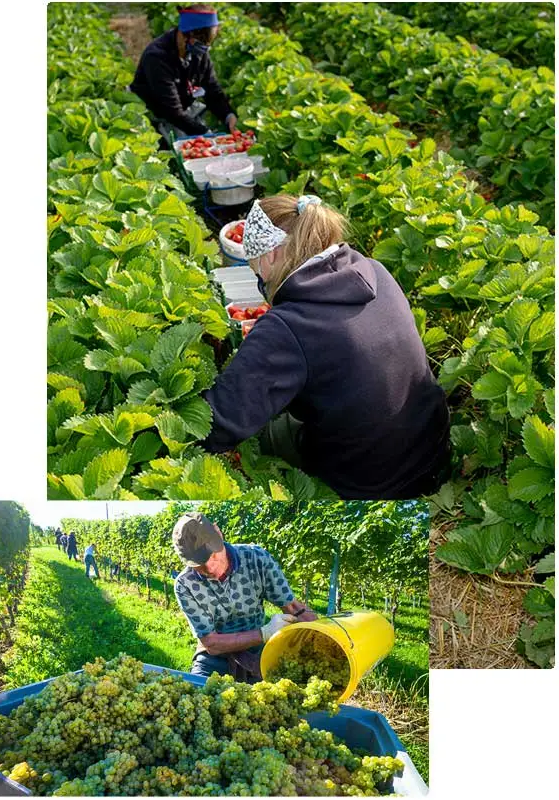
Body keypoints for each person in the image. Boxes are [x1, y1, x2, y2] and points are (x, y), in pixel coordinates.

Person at [200, 194, 451, 500]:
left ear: (272, 255)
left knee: (269, 431)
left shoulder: (288, 327)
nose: (260, 280)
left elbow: (218, 425)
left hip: (368, 486)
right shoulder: (374, 270)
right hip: (430, 457)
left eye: (256, 270)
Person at [172, 512, 316, 682]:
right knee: (198, 695)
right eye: (198, 565)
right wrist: (264, 633)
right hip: (215, 658)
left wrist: (326, 636)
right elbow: (211, 643)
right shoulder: (185, 584)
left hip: (258, 652)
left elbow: (293, 607)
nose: (209, 568)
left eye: (212, 555)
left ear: (218, 533)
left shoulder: (257, 559)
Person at [130, 4, 236, 141]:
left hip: (183, 107)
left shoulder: (198, 52)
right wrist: (205, 133)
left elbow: (212, 90)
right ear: (185, 34)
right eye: (202, 41)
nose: (205, 47)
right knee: (181, 145)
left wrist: (229, 115)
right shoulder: (157, 57)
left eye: (208, 42)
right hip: (156, 112)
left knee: (201, 132)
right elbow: (172, 111)